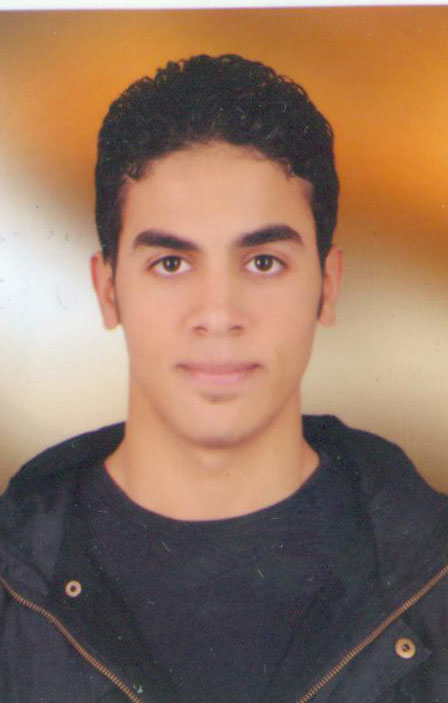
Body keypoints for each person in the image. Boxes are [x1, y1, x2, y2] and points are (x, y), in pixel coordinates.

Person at [0, 54, 447, 703]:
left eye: (263, 261)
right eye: (171, 263)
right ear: (107, 289)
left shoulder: (435, 581)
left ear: (327, 286)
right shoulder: (14, 584)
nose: (218, 314)